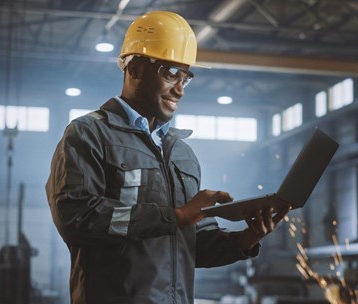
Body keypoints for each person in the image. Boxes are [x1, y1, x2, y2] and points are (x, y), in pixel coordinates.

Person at [45, 11, 290, 304]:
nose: (180, 89)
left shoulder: (182, 154)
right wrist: (174, 216)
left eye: (185, 77)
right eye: (170, 73)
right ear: (134, 69)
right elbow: (77, 218)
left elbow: (191, 245)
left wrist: (245, 239)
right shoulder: (89, 134)